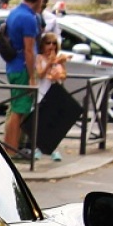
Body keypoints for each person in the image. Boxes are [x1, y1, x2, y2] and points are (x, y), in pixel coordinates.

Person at [3, 0, 48, 155]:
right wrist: (32, 76)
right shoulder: (28, 18)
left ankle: (9, 148)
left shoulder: (15, 13)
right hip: (22, 67)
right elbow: (29, 49)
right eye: (42, 0)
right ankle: (12, 151)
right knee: (19, 111)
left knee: (16, 108)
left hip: (13, 64)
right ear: (38, 0)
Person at [33, 32, 71, 161]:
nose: (51, 46)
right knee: (42, 121)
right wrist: (49, 63)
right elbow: (40, 74)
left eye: (54, 43)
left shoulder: (59, 58)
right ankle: (38, 148)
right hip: (42, 91)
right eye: (48, 43)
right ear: (42, 45)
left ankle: (53, 149)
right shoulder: (39, 58)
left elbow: (64, 75)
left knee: (54, 122)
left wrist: (59, 73)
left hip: (55, 89)